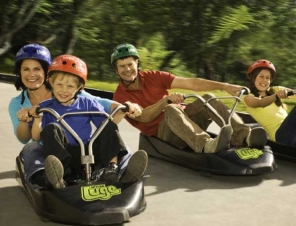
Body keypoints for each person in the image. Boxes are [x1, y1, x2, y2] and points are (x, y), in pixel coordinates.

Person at [8, 43, 146, 187]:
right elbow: (33, 138)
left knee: (111, 130)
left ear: (79, 88)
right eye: (26, 69)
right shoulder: (43, 107)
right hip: (62, 154)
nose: (64, 90)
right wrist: (36, 119)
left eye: (36, 69)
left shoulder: (86, 101)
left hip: (88, 151)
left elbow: (107, 123)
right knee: (48, 131)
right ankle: (58, 175)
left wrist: (124, 108)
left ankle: (116, 171)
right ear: (52, 82)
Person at [111, 43, 267, 154]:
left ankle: (244, 136)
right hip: (165, 135)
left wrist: (224, 86)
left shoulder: (153, 76)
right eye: (122, 66)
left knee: (208, 98)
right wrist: (166, 101)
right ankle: (206, 145)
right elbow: (143, 117)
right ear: (116, 70)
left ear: (137, 63)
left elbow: (191, 83)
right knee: (171, 109)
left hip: (186, 118)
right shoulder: (120, 96)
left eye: (130, 64)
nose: (127, 70)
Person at [244, 59, 296, 146]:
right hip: (281, 137)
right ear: (252, 78)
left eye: (268, 77)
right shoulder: (248, 96)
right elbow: (260, 103)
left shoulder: (275, 90)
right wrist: (276, 96)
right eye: (261, 76)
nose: (265, 80)